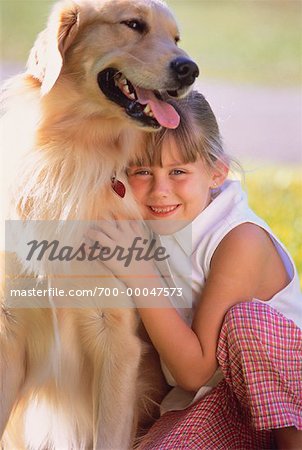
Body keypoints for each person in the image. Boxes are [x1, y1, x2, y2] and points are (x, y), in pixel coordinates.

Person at [88, 91, 302, 449]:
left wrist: (139, 272)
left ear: (216, 171)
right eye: (142, 171)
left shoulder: (239, 239)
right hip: (217, 402)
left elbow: (194, 371)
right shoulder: (147, 226)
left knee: (246, 321)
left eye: (178, 172)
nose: (160, 190)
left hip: (285, 394)